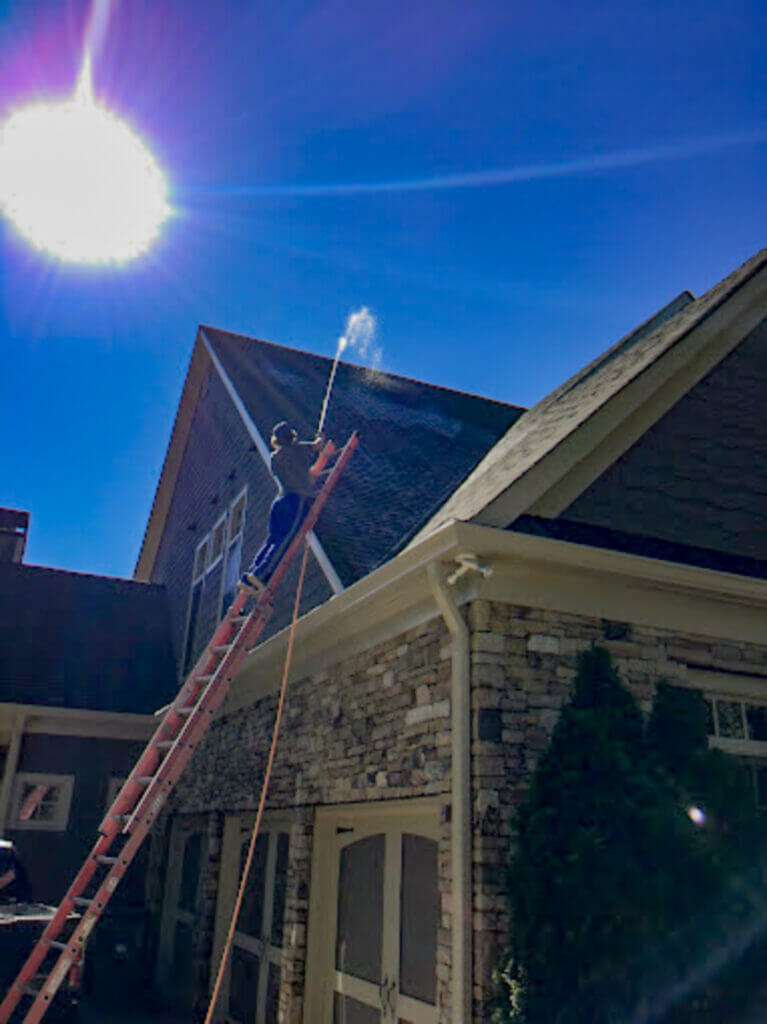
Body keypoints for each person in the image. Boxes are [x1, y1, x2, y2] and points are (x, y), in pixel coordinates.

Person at [240, 422, 325, 595]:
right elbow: (317, 447)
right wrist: (320, 439)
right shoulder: (299, 449)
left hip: (279, 501)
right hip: (295, 500)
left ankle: (249, 576)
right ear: (292, 436)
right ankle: (260, 575)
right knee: (284, 540)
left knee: (272, 540)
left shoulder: (274, 457)